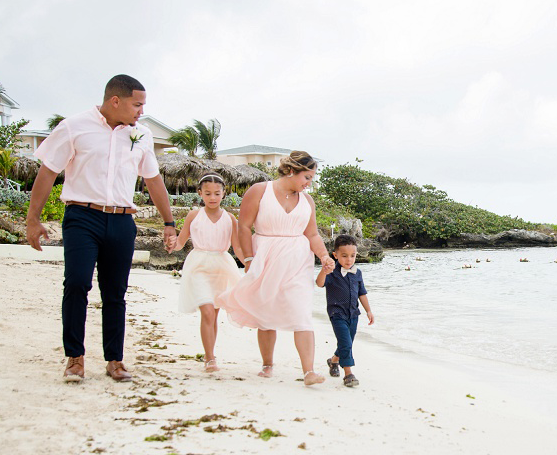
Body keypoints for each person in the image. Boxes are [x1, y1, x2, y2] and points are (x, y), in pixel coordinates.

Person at [26, 74, 176, 384]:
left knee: (115, 293)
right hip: (82, 216)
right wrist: (33, 218)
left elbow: (153, 180)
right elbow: (47, 171)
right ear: (115, 101)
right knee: (78, 283)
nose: (141, 111)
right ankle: (75, 358)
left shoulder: (142, 135)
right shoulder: (74, 126)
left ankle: (115, 360)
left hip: (122, 221)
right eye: (137, 104)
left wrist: (169, 223)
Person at [216, 151, 334, 385]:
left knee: (302, 313)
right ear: (292, 171)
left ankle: (309, 371)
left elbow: (312, 233)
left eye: (311, 178)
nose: (309, 183)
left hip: (299, 262)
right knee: (266, 313)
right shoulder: (260, 191)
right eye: (307, 177)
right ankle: (267, 363)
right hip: (266, 257)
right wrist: (248, 259)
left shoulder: (307, 201)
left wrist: (324, 255)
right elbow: (244, 227)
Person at [170, 174, 243, 373]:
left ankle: (210, 355)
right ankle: (210, 358)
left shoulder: (230, 219)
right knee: (207, 311)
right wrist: (171, 244)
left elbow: (237, 248)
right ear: (200, 193)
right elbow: (180, 242)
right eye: (208, 193)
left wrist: (251, 264)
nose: (212, 197)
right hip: (198, 266)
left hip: (221, 267)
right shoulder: (194, 215)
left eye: (217, 193)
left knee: (214, 314)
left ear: (224, 194)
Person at [316, 234, 374, 388]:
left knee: (346, 342)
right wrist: (324, 271)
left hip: (353, 314)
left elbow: (362, 293)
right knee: (346, 342)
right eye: (344, 256)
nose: (349, 260)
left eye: (353, 256)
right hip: (337, 314)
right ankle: (348, 374)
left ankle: (334, 360)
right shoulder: (332, 271)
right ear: (335, 255)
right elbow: (319, 283)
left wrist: (368, 310)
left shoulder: (357, 273)